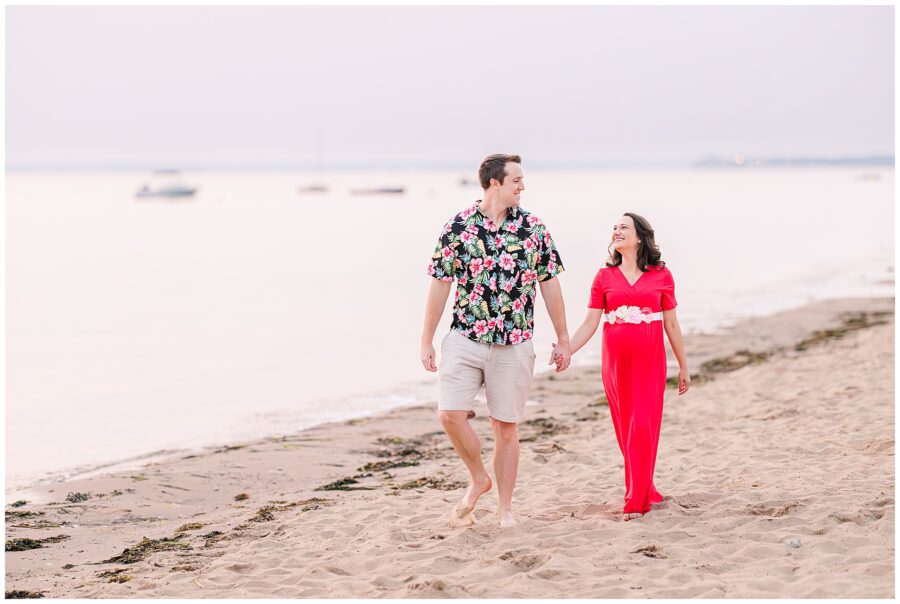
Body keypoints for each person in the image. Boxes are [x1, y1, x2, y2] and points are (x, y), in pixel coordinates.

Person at [420, 154, 570, 528]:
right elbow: (440, 285)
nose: (523, 186)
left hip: (515, 342)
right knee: (450, 414)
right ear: (495, 183)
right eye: (516, 180)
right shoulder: (457, 227)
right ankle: (478, 479)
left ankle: (505, 509)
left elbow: (550, 285)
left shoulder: (533, 228)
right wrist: (426, 339)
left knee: (505, 427)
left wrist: (563, 338)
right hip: (465, 338)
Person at [564, 212, 689, 521]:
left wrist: (683, 366)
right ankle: (645, 487)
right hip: (616, 364)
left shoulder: (662, 275)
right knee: (625, 429)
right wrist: (566, 348)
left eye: (624, 227)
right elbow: (590, 323)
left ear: (639, 237)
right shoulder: (604, 277)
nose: (616, 231)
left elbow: (671, 325)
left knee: (643, 425)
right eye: (614, 228)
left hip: (650, 361)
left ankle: (636, 500)